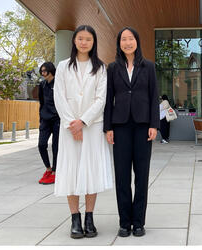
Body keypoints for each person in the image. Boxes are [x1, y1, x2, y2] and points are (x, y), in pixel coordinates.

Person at [53, 25, 112, 239]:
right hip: (69, 129)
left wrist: (83, 121)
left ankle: (89, 217)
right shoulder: (63, 66)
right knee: (71, 171)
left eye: (88, 39)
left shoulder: (101, 68)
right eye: (80, 38)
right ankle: (75, 219)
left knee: (91, 171)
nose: (84, 42)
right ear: (74, 41)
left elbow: (101, 99)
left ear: (94, 42)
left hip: (93, 127)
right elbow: (59, 97)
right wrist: (72, 123)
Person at [104, 27, 159, 238]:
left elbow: (154, 97)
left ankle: (138, 222)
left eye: (131, 38)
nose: (127, 42)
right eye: (123, 39)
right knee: (122, 176)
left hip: (143, 126)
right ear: (119, 43)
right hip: (120, 126)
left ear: (137, 41)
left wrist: (154, 124)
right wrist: (108, 127)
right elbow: (109, 99)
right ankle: (124, 222)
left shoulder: (148, 67)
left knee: (142, 176)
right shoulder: (112, 68)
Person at [37, 62, 60, 185]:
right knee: (41, 145)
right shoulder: (42, 84)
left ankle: (55, 172)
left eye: (45, 71)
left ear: (51, 71)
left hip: (57, 119)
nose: (43, 73)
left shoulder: (59, 84)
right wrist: (41, 118)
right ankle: (48, 168)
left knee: (56, 147)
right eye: (42, 71)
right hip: (45, 119)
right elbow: (41, 102)